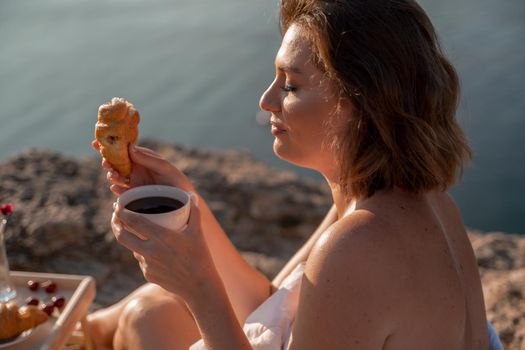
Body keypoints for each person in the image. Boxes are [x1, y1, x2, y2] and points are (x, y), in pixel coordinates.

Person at [87, 0, 504, 349]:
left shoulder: (358, 246)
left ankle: (75, 329)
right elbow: (273, 306)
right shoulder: (408, 203)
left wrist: (198, 287)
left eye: (290, 86)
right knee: (153, 306)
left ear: (359, 102)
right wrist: (185, 198)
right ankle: (81, 329)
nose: (266, 100)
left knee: (147, 319)